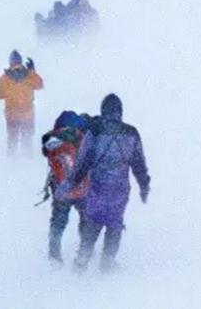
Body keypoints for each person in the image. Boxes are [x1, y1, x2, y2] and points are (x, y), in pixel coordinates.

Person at [57, 94, 150, 273]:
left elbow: (83, 162)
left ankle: (82, 260)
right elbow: (139, 163)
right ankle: (107, 263)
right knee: (114, 224)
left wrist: (70, 184)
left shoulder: (95, 131)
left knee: (93, 222)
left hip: (98, 187)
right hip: (120, 190)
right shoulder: (131, 133)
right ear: (120, 112)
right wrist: (144, 185)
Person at [39, 111, 91, 267]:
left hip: (60, 191)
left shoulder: (50, 140)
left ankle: (54, 255)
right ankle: (84, 252)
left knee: (58, 223)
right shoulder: (83, 139)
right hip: (83, 189)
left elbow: (45, 153)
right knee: (86, 221)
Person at [0, 50, 43, 156]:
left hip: (11, 114)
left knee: (12, 139)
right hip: (28, 113)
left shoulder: (5, 77)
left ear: (10, 62)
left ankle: (12, 162)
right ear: (20, 61)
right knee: (27, 139)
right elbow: (40, 85)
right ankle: (27, 160)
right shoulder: (29, 74)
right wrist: (32, 71)